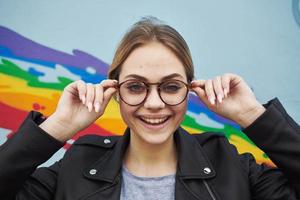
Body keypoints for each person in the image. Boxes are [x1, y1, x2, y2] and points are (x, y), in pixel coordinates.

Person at [0, 17, 299, 200]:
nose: (154, 103)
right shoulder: (77, 164)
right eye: (135, 86)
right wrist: (57, 128)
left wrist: (252, 116)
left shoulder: (232, 166)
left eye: (170, 86)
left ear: (189, 90)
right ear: (115, 91)